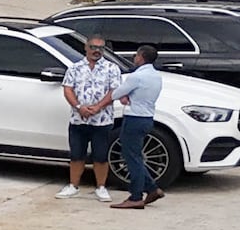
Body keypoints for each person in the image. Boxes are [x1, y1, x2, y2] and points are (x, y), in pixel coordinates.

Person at [59, 33, 122, 202]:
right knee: (76, 154)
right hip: (78, 119)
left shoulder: (112, 68)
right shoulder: (75, 68)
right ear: (86, 48)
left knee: (100, 155)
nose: (96, 51)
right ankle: (73, 186)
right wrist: (79, 107)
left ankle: (101, 187)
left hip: (102, 120)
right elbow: (68, 89)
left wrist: (98, 107)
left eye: (100, 48)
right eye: (93, 47)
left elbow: (114, 91)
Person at [107, 44, 165, 209]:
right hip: (147, 117)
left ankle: (136, 196)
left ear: (141, 57)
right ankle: (152, 188)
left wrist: (124, 95)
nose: (134, 58)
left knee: (132, 158)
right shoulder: (156, 76)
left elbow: (116, 93)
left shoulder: (136, 76)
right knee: (136, 156)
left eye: (136, 55)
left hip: (134, 118)